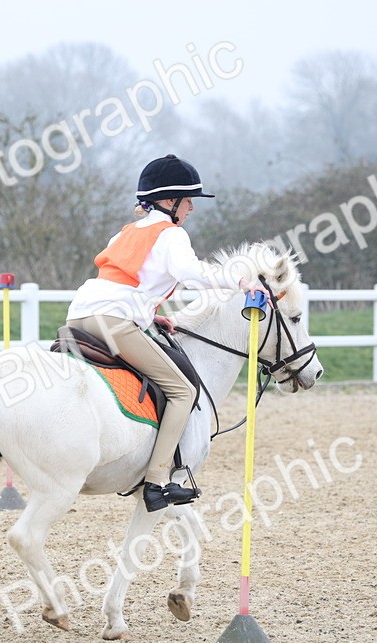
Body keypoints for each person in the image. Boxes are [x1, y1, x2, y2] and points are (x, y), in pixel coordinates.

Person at [66, 154, 265, 512]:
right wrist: (238, 280)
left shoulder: (126, 231)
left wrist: (150, 317)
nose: (192, 208)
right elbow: (191, 273)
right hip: (113, 322)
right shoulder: (172, 234)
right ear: (170, 201)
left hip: (80, 316)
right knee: (183, 390)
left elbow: (130, 283)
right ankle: (158, 481)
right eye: (188, 200)